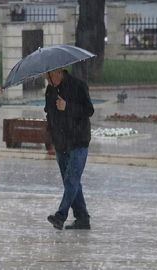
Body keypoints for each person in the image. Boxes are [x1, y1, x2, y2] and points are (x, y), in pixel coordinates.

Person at [43, 68, 94, 230]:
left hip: (78, 142)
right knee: (72, 182)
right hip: (61, 143)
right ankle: (82, 218)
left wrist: (67, 106)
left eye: (49, 77)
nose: (48, 81)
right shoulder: (50, 90)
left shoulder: (78, 86)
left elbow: (88, 110)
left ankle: (60, 216)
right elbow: (49, 112)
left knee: (71, 179)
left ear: (58, 72)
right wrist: (52, 133)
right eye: (45, 78)